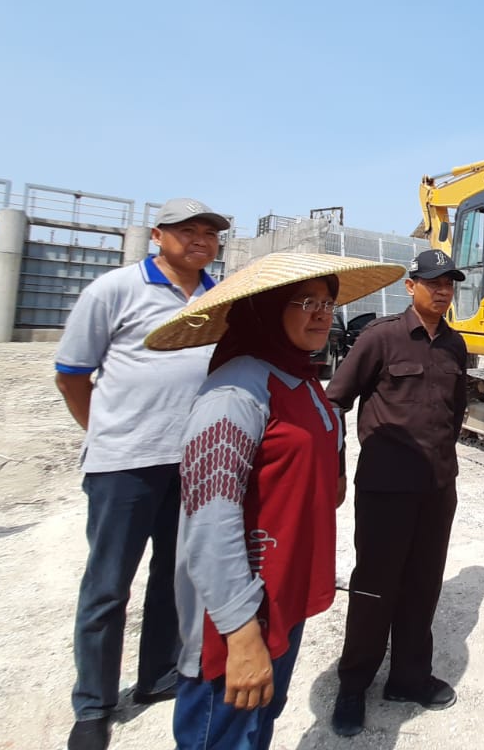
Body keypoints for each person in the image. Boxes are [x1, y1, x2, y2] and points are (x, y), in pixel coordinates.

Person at [144, 252, 402, 750]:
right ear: (264, 308)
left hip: (283, 598)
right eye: (305, 301)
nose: (322, 314)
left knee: (260, 724)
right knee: (224, 735)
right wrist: (240, 633)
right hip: (238, 614)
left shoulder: (297, 377)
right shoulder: (234, 392)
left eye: (327, 302)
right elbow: (209, 519)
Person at [54, 198, 229, 750]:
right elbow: (72, 375)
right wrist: (107, 431)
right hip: (125, 464)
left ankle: (158, 676)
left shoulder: (221, 297)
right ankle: (93, 706)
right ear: (158, 234)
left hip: (197, 462)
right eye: (187, 230)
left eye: (210, 232)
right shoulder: (114, 290)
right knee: (107, 586)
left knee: (174, 578)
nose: (200, 240)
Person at [327, 249, 469, 738]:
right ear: (412, 287)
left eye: (449, 282)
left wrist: (441, 466)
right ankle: (354, 684)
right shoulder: (380, 337)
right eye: (434, 282)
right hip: (385, 488)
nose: (443, 290)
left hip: (436, 488)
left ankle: (407, 677)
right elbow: (334, 402)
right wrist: (337, 470)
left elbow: (457, 412)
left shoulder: (455, 345)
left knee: (423, 584)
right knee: (374, 587)